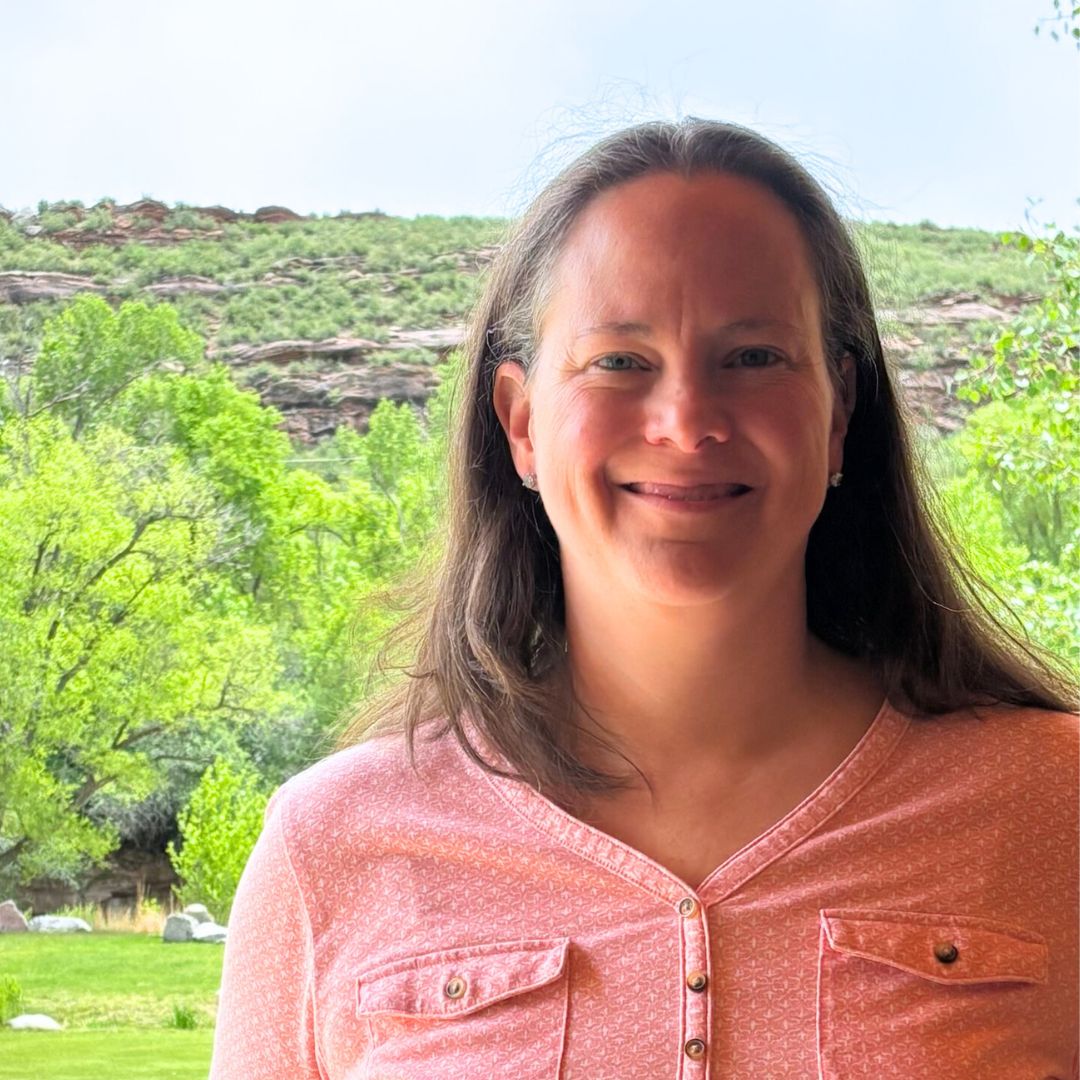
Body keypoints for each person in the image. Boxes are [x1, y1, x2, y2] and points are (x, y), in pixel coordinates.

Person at [209, 119, 1078, 1079]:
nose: (687, 422)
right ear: (522, 423)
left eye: (754, 356)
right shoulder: (329, 847)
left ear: (838, 413)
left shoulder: (1056, 806)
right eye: (619, 361)